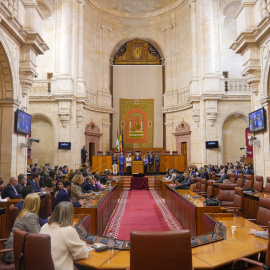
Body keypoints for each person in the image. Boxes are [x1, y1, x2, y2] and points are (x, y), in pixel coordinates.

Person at [40, 202, 89, 270]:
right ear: (70, 215)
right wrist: (83, 244)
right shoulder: (69, 230)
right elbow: (81, 254)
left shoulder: (44, 226)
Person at [3, 193, 41, 263]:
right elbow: (37, 236)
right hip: (16, 254)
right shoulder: (30, 216)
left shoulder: (23, 213)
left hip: (14, 251)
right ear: (36, 204)